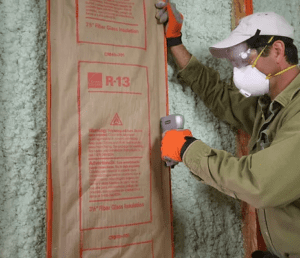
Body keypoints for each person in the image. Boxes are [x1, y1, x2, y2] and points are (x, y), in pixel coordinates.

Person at [155, 2, 300, 258]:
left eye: (244, 58)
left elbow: (259, 184)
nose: (238, 71)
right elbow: (218, 94)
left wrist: (187, 148)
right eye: (234, 61)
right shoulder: (268, 108)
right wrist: (174, 41)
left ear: (277, 51)